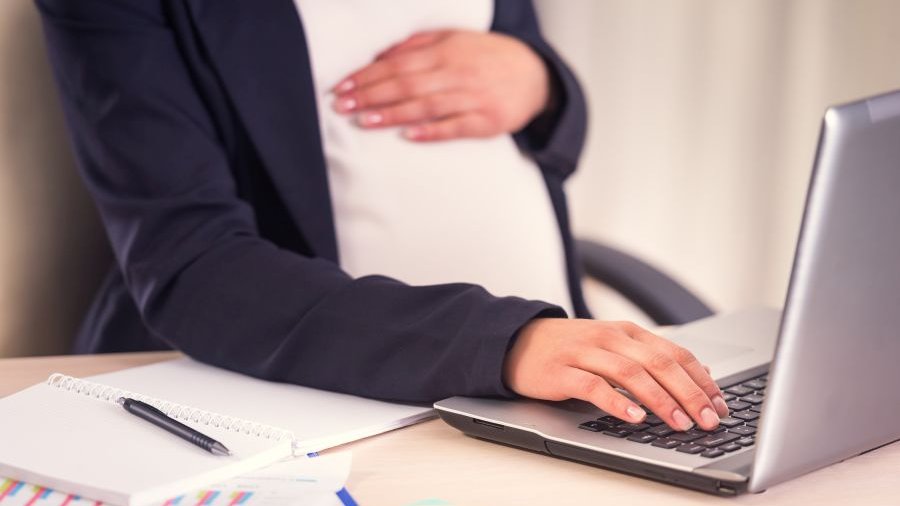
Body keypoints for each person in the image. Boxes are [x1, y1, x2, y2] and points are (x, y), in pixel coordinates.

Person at [36, 0, 729, 432]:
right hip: (328, 401)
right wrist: (506, 343)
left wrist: (544, 86)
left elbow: (539, 133)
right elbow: (194, 267)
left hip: (560, 385)